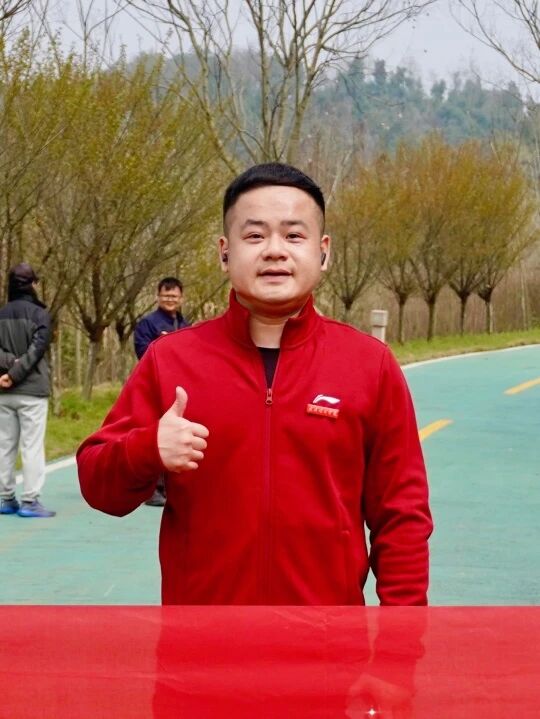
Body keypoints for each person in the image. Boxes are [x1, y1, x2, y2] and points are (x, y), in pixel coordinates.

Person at [78, 163, 432, 605]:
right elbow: (99, 487)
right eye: (255, 235)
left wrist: (403, 630)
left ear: (323, 252)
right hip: (201, 637)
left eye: (294, 235)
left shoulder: (369, 365)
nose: (275, 251)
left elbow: (402, 515)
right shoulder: (170, 360)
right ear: (225, 253)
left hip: (329, 637)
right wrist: (147, 448)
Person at [0, 263, 56, 518]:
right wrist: (16, 372)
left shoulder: (1, 313)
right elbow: (37, 350)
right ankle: (30, 500)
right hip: (32, 391)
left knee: (5, 445)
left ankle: (6, 498)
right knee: (31, 446)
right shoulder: (40, 315)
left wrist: (9, 371)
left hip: (4, 391)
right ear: (33, 284)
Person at [134, 277, 189, 506]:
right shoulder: (148, 324)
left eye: (174, 296)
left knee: (178, 435)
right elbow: (142, 351)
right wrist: (164, 345)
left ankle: (169, 487)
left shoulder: (185, 324)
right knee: (156, 435)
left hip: (181, 390)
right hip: (155, 387)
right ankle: (152, 489)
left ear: (181, 298)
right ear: (158, 297)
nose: (170, 300)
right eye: (166, 296)